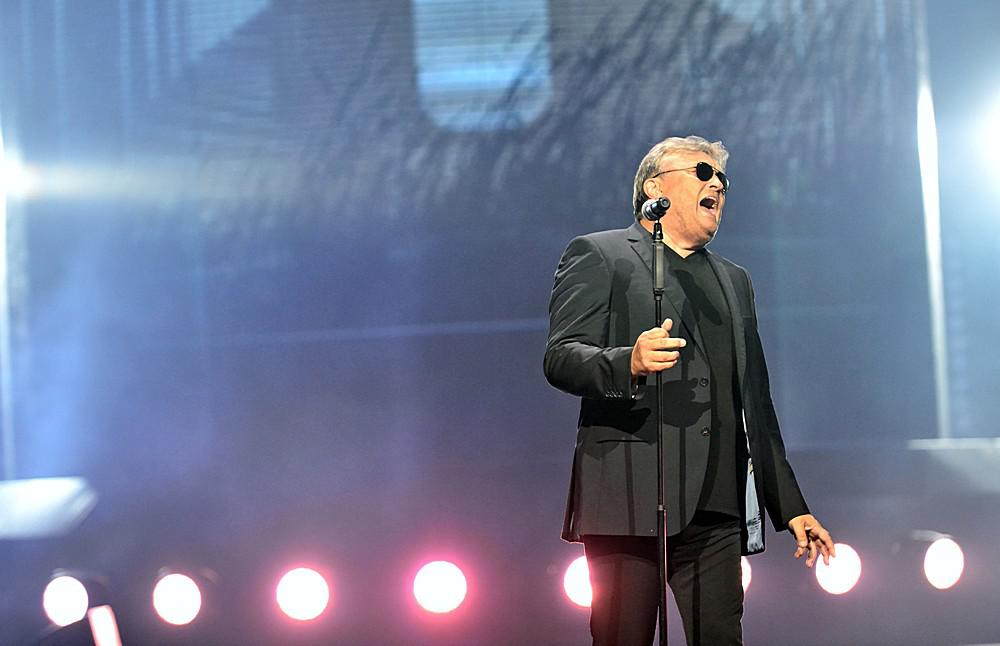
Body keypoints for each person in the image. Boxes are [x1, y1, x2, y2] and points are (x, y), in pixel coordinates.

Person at [543, 135, 835, 645]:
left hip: (716, 506)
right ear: (654, 188)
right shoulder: (600, 254)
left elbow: (755, 402)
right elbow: (561, 357)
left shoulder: (734, 280)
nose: (717, 184)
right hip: (629, 498)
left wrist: (790, 506)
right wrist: (627, 362)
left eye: (722, 178)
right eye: (703, 173)